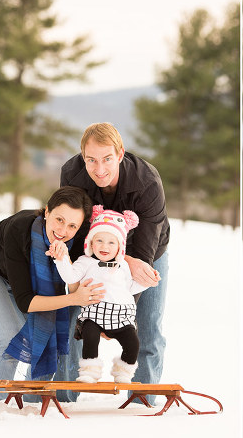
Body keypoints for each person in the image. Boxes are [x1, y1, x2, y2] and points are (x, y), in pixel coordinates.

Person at [0, 186, 99, 401]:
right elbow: (26, 301)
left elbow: (75, 285)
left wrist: (66, 262)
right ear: (46, 211)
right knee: (9, 336)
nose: (63, 230)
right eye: (59, 220)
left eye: (72, 225)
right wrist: (74, 299)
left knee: (47, 337)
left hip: (21, 280)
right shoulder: (20, 229)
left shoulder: (78, 241)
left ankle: (32, 404)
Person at [60, 123, 169, 393]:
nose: (99, 169)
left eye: (107, 159)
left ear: (120, 154)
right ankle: (68, 392)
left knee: (147, 327)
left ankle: (142, 398)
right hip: (91, 253)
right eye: (91, 160)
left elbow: (145, 247)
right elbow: (77, 231)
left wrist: (118, 313)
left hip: (146, 252)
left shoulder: (147, 181)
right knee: (76, 318)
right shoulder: (72, 174)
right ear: (82, 156)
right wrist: (81, 294)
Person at [51, 206, 148, 384]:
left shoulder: (123, 266)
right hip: (95, 314)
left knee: (133, 343)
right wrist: (62, 258)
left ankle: (123, 372)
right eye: (100, 241)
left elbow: (128, 289)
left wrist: (146, 282)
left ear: (120, 246)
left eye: (111, 242)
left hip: (120, 316)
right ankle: (89, 372)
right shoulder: (86, 262)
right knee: (90, 337)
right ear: (91, 243)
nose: (104, 246)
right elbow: (70, 276)